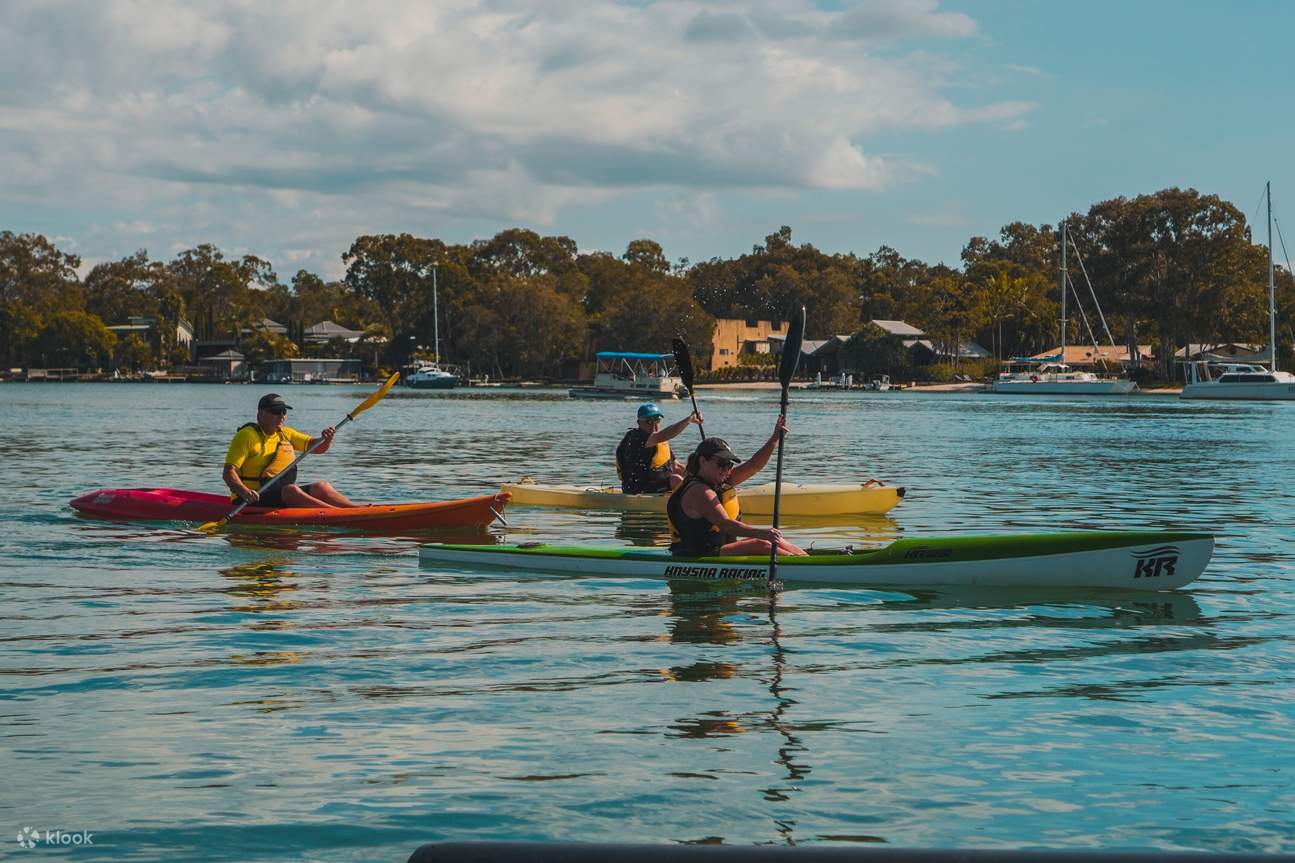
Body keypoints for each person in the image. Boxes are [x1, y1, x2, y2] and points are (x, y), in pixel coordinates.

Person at [666, 418, 807, 557]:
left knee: (776, 540)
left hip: (719, 549)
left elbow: (754, 466)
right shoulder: (700, 491)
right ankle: (801, 566)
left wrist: (775, 438)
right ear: (703, 461)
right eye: (721, 463)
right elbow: (725, 524)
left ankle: (805, 559)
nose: (726, 469)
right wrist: (761, 533)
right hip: (699, 554)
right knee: (761, 544)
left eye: (729, 465)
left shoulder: (719, 481)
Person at [222, 393, 359, 509]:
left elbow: (318, 448)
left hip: (279, 495)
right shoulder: (247, 436)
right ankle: (336, 514)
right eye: (276, 412)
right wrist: (245, 492)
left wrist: (326, 438)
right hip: (248, 500)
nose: (281, 416)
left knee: (320, 486)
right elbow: (228, 473)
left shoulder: (286, 433)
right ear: (261, 414)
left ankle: (356, 509)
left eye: (284, 412)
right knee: (291, 490)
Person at [615, 402, 702, 494]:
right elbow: (665, 434)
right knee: (675, 480)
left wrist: (699, 477)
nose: (653, 425)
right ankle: (694, 501)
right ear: (639, 423)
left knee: (688, 477)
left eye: (657, 420)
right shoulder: (637, 437)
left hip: (658, 485)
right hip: (637, 489)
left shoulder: (660, 442)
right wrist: (689, 420)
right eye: (649, 421)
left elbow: (676, 467)